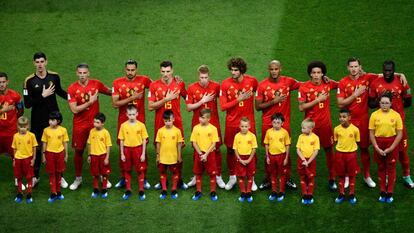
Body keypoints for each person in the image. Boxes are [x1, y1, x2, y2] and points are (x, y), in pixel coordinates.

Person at [23, 52, 68, 188]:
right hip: (37, 119)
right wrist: (42, 95)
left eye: (42, 61)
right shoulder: (29, 81)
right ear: (34, 63)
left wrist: (75, 98)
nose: (40, 64)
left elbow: (60, 91)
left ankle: (60, 177)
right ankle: (36, 176)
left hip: (54, 118)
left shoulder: (54, 77)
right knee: (36, 147)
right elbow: (27, 104)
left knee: (57, 146)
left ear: (46, 62)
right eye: (37, 62)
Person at [255, 60, 300, 190]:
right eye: (271, 69)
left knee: (286, 150)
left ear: (280, 69)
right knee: (269, 152)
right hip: (268, 123)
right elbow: (258, 107)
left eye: (276, 69)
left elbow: (304, 85)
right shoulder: (262, 85)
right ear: (268, 70)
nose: (274, 71)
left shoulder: (288, 81)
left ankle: (286, 178)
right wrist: (274, 101)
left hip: (284, 124)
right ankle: (268, 178)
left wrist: (323, 79)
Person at [369, 60, 413, 188]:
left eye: (390, 70)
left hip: (398, 124)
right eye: (385, 70)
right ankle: (386, 175)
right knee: (383, 152)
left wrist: (396, 111)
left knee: (403, 152)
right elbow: (370, 104)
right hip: (382, 125)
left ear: (394, 70)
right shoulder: (376, 83)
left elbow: (408, 101)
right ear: (382, 70)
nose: (387, 73)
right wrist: (381, 101)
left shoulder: (402, 82)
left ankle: (407, 176)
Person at [67, 63, 112, 190]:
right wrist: (90, 102)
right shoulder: (71, 88)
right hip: (80, 126)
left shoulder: (96, 84)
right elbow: (74, 110)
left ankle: (103, 176)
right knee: (79, 151)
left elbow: (109, 91)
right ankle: (78, 178)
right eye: (80, 73)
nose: (82, 75)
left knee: (100, 151)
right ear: (77, 73)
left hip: (95, 125)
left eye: (84, 73)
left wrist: (121, 89)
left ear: (88, 73)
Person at [112, 59, 152, 189]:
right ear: (125, 70)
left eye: (132, 70)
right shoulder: (117, 83)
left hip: (140, 123)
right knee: (123, 149)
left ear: (136, 70)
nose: (130, 72)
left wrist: (175, 80)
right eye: (128, 70)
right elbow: (115, 104)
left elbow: (158, 85)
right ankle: (124, 177)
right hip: (123, 122)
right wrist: (132, 98)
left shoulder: (144, 80)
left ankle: (144, 178)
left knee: (142, 149)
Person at [298, 61, 338, 191]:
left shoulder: (328, 83)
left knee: (328, 151)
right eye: (314, 73)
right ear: (310, 73)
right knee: (307, 153)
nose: (316, 75)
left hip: (325, 125)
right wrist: (317, 100)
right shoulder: (304, 87)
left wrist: (329, 79)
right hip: (309, 127)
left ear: (322, 74)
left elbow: (340, 84)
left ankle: (332, 178)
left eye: (319, 73)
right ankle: (308, 177)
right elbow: (301, 107)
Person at [220, 57, 258, 191]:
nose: (233, 72)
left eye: (236, 70)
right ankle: (232, 176)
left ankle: (251, 179)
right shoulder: (225, 84)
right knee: (230, 149)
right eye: (231, 70)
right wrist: (238, 99)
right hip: (231, 123)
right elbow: (223, 107)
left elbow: (262, 90)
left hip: (248, 124)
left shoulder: (252, 81)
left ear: (241, 70)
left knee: (251, 149)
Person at [148, 60, 187, 190]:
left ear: (172, 71)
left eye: (168, 71)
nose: (166, 74)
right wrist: (165, 99)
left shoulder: (179, 83)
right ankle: (162, 179)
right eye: (163, 71)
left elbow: (188, 98)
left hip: (177, 123)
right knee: (160, 150)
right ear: (160, 71)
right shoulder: (154, 85)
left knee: (178, 149)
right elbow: (150, 106)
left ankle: (179, 179)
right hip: (160, 124)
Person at [185, 65, 225, 189]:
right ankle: (196, 176)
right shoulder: (191, 88)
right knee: (196, 150)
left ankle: (218, 175)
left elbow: (224, 98)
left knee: (216, 149)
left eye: (206, 77)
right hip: (197, 125)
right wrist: (202, 101)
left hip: (214, 125)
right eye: (202, 77)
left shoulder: (216, 86)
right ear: (198, 76)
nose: (204, 80)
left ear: (209, 76)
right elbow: (188, 107)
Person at [369, 93, 403, 203]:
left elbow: (399, 134)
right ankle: (383, 191)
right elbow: (371, 133)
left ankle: (390, 192)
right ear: (379, 103)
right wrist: (376, 147)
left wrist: (391, 148)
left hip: (391, 143)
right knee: (381, 167)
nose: (384, 105)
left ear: (391, 103)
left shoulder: (396, 115)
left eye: (387, 103)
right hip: (378, 143)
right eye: (382, 103)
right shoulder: (374, 115)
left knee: (391, 168)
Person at [118, 105, 149, 201]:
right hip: (127, 150)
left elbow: (144, 140)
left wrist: (143, 153)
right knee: (127, 170)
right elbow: (121, 140)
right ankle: (128, 189)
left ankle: (141, 189)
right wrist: (122, 153)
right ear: (126, 114)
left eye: (133, 114)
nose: (132, 116)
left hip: (138, 149)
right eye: (130, 114)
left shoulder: (141, 125)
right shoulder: (123, 126)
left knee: (140, 170)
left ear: (137, 114)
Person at [0, 72, 24, 189]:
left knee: (16, 156)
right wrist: (4, 110)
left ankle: (17, 179)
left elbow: (21, 110)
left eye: (3, 82)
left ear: (7, 82)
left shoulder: (15, 95)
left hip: (11, 132)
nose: (1, 85)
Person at [190, 108, 219, 201]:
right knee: (198, 173)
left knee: (212, 174)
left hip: (209, 154)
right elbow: (194, 142)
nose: (200, 119)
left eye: (203, 118)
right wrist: (200, 153)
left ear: (208, 119)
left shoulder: (213, 129)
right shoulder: (195, 128)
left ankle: (213, 191)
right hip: (199, 153)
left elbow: (214, 143)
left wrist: (205, 155)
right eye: (200, 117)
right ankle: (198, 191)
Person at [155, 110, 184, 200]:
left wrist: (179, 156)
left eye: (169, 120)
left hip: (173, 157)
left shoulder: (177, 131)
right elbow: (158, 144)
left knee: (175, 172)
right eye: (165, 121)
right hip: (163, 158)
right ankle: (164, 189)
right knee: (163, 172)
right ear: (163, 121)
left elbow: (179, 144)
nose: (167, 123)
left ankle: (174, 189)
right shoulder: (160, 131)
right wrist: (157, 156)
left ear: (173, 119)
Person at [41, 111, 69, 203]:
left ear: (58, 121)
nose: (50, 122)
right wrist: (43, 155)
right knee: (52, 173)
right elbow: (44, 143)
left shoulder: (63, 130)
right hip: (50, 154)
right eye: (49, 120)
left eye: (52, 120)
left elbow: (65, 143)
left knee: (59, 173)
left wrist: (66, 154)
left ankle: (58, 191)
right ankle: (53, 192)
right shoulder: (46, 130)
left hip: (60, 154)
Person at [333, 109, 360, 204]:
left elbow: (357, 141)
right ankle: (341, 193)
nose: (341, 119)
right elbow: (336, 141)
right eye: (340, 117)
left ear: (349, 117)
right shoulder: (336, 129)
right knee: (341, 174)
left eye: (344, 117)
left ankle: (352, 194)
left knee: (352, 174)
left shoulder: (355, 129)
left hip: (351, 155)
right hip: (339, 154)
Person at [264, 113, 291, 202]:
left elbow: (287, 145)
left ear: (282, 123)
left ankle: (281, 191)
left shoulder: (285, 132)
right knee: (273, 174)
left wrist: (286, 158)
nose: (276, 124)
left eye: (278, 122)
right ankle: (274, 191)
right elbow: (266, 144)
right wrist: (267, 156)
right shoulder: (268, 132)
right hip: (271, 156)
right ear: (272, 122)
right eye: (274, 122)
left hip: (281, 156)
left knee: (282, 174)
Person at [11, 116, 37, 204]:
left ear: (28, 126)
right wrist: (14, 159)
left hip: (28, 159)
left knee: (29, 177)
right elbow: (14, 148)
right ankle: (19, 194)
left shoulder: (31, 135)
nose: (22, 129)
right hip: (18, 159)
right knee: (18, 177)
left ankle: (29, 194)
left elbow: (34, 147)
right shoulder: (15, 136)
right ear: (17, 126)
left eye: (24, 126)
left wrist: (33, 158)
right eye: (21, 126)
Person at [87, 112, 111, 199]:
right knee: (95, 174)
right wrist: (89, 155)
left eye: (97, 122)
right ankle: (96, 189)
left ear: (103, 123)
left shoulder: (106, 133)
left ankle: (104, 189)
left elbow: (108, 146)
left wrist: (107, 157)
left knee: (104, 174)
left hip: (103, 156)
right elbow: (89, 144)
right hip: (94, 156)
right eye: (94, 122)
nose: (95, 124)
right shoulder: (91, 131)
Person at [233, 117, 258, 203]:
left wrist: (249, 159)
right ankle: (243, 192)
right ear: (239, 126)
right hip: (240, 158)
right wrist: (240, 159)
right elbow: (235, 149)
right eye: (242, 126)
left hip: (250, 158)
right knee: (241, 176)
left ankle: (249, 192)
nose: (244, 128)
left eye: (246, 126)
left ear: (249, 126)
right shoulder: (237, 136)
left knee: (250, 175)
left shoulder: (252, 136)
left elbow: (254, 149)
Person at [296, 118, 319, 205]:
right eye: (302, 127)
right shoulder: (300, 137)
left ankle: (310, 194)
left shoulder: (315, 138)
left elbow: (316, 151)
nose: (301, 129)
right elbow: (298, 150)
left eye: (303, 128)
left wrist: (308, 162)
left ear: (310, 129)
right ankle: (304, 194)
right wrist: (303, 160)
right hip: (302, 161)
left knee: (311, 178)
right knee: (302, 177)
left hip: (311, 162)